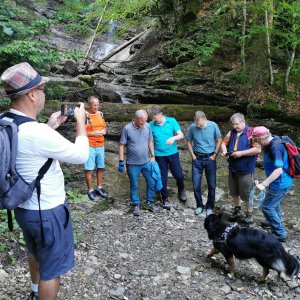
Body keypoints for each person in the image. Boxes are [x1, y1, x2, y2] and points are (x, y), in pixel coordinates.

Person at [0, 62, 89, 300]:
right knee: (52, 271)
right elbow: (81, 156)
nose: (43, 94)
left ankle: (34, 292)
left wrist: (50, 126)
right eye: (41, 90)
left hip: (22, 207)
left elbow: (24, 149)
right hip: (47, 211)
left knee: (36, 251)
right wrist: (81, 121)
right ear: (31, 94)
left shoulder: (5, 120)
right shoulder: (38, 133)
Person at [252, 126, 293, 243]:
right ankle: (275, 221)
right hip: (279, 182)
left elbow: (278, 170)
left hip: (281, 183)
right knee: (274, 204)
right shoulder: (271, 142)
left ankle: (280, 233)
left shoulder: (276, 148)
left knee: (267, 207)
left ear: (261, 138)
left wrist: (263, 184)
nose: (256, 142)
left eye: (256, 140)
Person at [221, 113, 261, 224]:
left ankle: (249, 214)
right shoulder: (232, 132)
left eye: (236, 124)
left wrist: (241, 153)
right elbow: (224, 143)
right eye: (233, 124)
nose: (234, 126)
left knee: (247, 192)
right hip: (233, 167)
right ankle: (237, 210)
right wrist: (224, 151)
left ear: (243, 122)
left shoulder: (251, 133)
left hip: (246, 169)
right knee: (234, 191)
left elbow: (258, 149)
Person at [118, 110, 159, 216]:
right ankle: (136, 204)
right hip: (132, 163)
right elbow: (122, 145)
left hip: (146, 162)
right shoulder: (127, 128)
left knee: (152, 182)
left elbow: (150, 141)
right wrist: (121, 161)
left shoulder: (147, 126)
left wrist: (153, 156)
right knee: (134, 185)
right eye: (141, 122)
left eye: (145, 121)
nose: (143, 124)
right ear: (135, 119)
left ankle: (149, 202)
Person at [148, 105, 187, 209]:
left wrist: (173, 138)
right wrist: (152, 155)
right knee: (162, 178)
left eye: (154, 117)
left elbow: (181, 135)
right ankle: (165, 198)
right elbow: (150, 141)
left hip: (173, 153)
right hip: (159, 155)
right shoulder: (150, 125)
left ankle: (181, 190)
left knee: (179, 175)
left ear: (160, 114)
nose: (153, 119)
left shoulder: (171, 121)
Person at [186, 111, 222, 217]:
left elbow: (219, 140)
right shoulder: (193, 127)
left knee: (212, 184)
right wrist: (192, 154)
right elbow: (188, 141)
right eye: (196, 123)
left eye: (199, 124)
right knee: (196, 184)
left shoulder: (213, 125)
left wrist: (215, 154)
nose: (198, 125)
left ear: (205, 119)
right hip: (197, 158)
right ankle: (200, 205)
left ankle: (210, 207)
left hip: (210, 158)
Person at [84, 96, 108, 201]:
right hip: (90, 145)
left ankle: (99, 187)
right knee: (89, 168)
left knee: (101, 167)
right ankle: (90, 190)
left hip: (100, 145)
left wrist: (104, 131)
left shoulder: (101, 114)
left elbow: (104, 127)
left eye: (98, 104)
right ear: (89, 105)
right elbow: (80, 132)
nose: (96, 107)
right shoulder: (85, 116)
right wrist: (94, 133)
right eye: (94, 105)